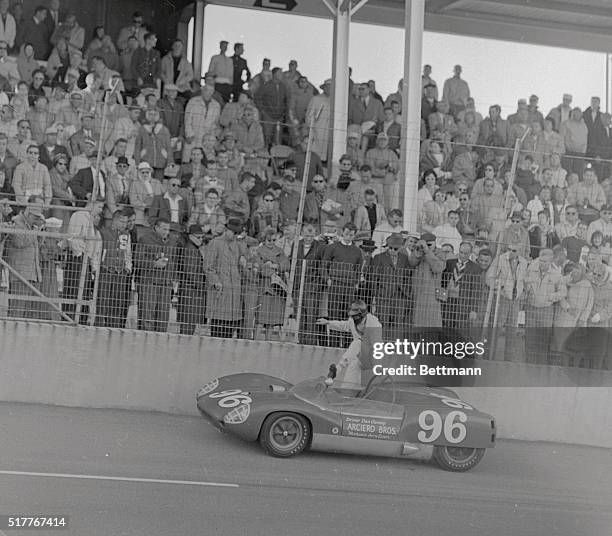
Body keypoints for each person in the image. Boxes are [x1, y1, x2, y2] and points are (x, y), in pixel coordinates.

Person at [316, 300, 382, 387]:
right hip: (359, 356)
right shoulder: (352, 320)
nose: (353, 319)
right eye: (352, 316)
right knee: (352, 370)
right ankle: (346, 392)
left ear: (362, 315)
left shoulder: (374, 324)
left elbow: (377, 346)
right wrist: (328, 322)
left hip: (372, 358)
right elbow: (344, 325)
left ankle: (337, 368)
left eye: (355, 317)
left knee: (358, 342)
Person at [204, 218, 248, 338]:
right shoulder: (215, 243)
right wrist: (216, 281)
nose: (235, 235)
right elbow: (208, 267)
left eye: (237, 233)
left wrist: (243, 261)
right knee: (218, 327)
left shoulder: (238, 245)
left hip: (234, 292)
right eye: (234, 233)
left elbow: (243, 266)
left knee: (230, 329)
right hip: (220, 291)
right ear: (227, 230)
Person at [321, 222, 363, 347]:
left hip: (349, 286)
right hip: (335, 284)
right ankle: (333, 344)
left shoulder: (357, 251)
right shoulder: (333, 247)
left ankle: (346, 345)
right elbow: (324, 264)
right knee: (334, 313)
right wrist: (327, 279)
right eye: (346, 234)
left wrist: (355, 282)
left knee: (349, 316)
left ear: (354, 236)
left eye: (351, 235)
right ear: (342, 233)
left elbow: (358, 268)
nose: (348, 237)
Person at [135, 217, 179, 332]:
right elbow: (138, 259)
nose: (167, 232)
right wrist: (154, 264)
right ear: (156, 227)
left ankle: (160, 343)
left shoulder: (173, 241)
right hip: (149, 282)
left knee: (163, 317)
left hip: (166, 283)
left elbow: (175, 261)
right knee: (147, 315)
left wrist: (173, 278)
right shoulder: (145, 239)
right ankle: (145, 341)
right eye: (164, 229)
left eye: (168, 229)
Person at [524, 248, 567, 364]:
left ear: (550, 261)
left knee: (543, 340)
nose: (542, 263)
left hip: (546, 311)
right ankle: (529, 366)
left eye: (545, 261)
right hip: (531, 308)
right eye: (541, 260)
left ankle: (541, 367)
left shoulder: (557, 274)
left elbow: (563, 292)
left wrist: (551, 297)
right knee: (530, 340)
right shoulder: (531, 269)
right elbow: (525, 283)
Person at [4, 197, 44, 318]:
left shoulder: (32, 226)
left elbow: (37, 245)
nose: (36, 218)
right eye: (34, 215)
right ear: (28, 209)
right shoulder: (16, 222)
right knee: (16, 313)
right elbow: (19, 241)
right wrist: (36, 232)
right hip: (19, 275)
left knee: (28, 316)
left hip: (33, 274)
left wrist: (42, 233)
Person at [368, 233, 410, 340]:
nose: (392, 250)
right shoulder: (379, 258)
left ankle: (395, 348)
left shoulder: (404, 259)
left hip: (400, 296)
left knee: (397, 324)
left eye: (395, 249)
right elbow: (373, 279)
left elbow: (407, 276)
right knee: (382, 323)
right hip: (383, 296)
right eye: (390, 248)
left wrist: (406, 293)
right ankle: (381, 346)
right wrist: (377, 294)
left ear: (400, 247)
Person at [97, 209, 132, 328]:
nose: (124, 224)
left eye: (126, 222)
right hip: (106, 270)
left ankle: (113, 327)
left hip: (120, 272)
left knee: (117, 302)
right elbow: (98, 250)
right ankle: (99, 325)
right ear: (114, 220)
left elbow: (128, 252)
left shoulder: (127, 235)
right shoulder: (103, 232)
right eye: (122, 221)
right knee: (103, 300)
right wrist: (97, 267)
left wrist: (128, 267)